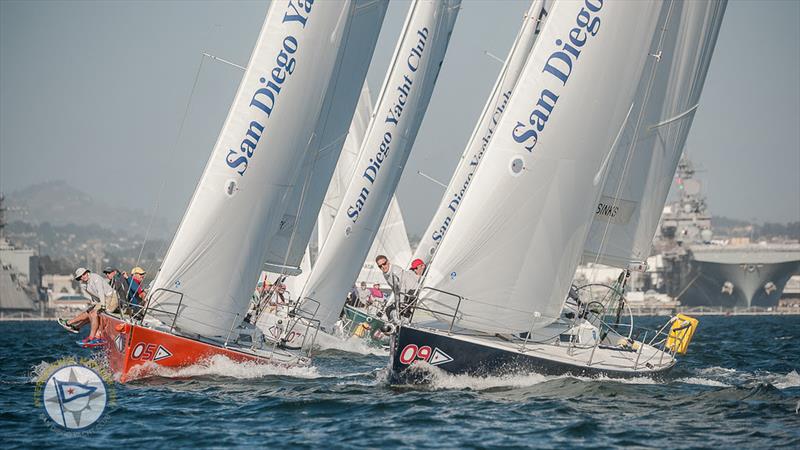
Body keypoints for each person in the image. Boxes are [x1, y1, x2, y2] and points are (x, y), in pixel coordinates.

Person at [57, 268, 115, 344]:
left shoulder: (95, 278)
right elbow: (94, 296)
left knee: (93, 313)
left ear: (87, 272)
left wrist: (103, 306)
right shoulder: (84, 284)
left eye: (84, 274)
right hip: (103, 300)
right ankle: (73, 325)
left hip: (111, 298)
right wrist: (95, 305)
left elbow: (100, 292)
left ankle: (91, 337)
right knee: (89, 312)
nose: (83, 277)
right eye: (80, 276)